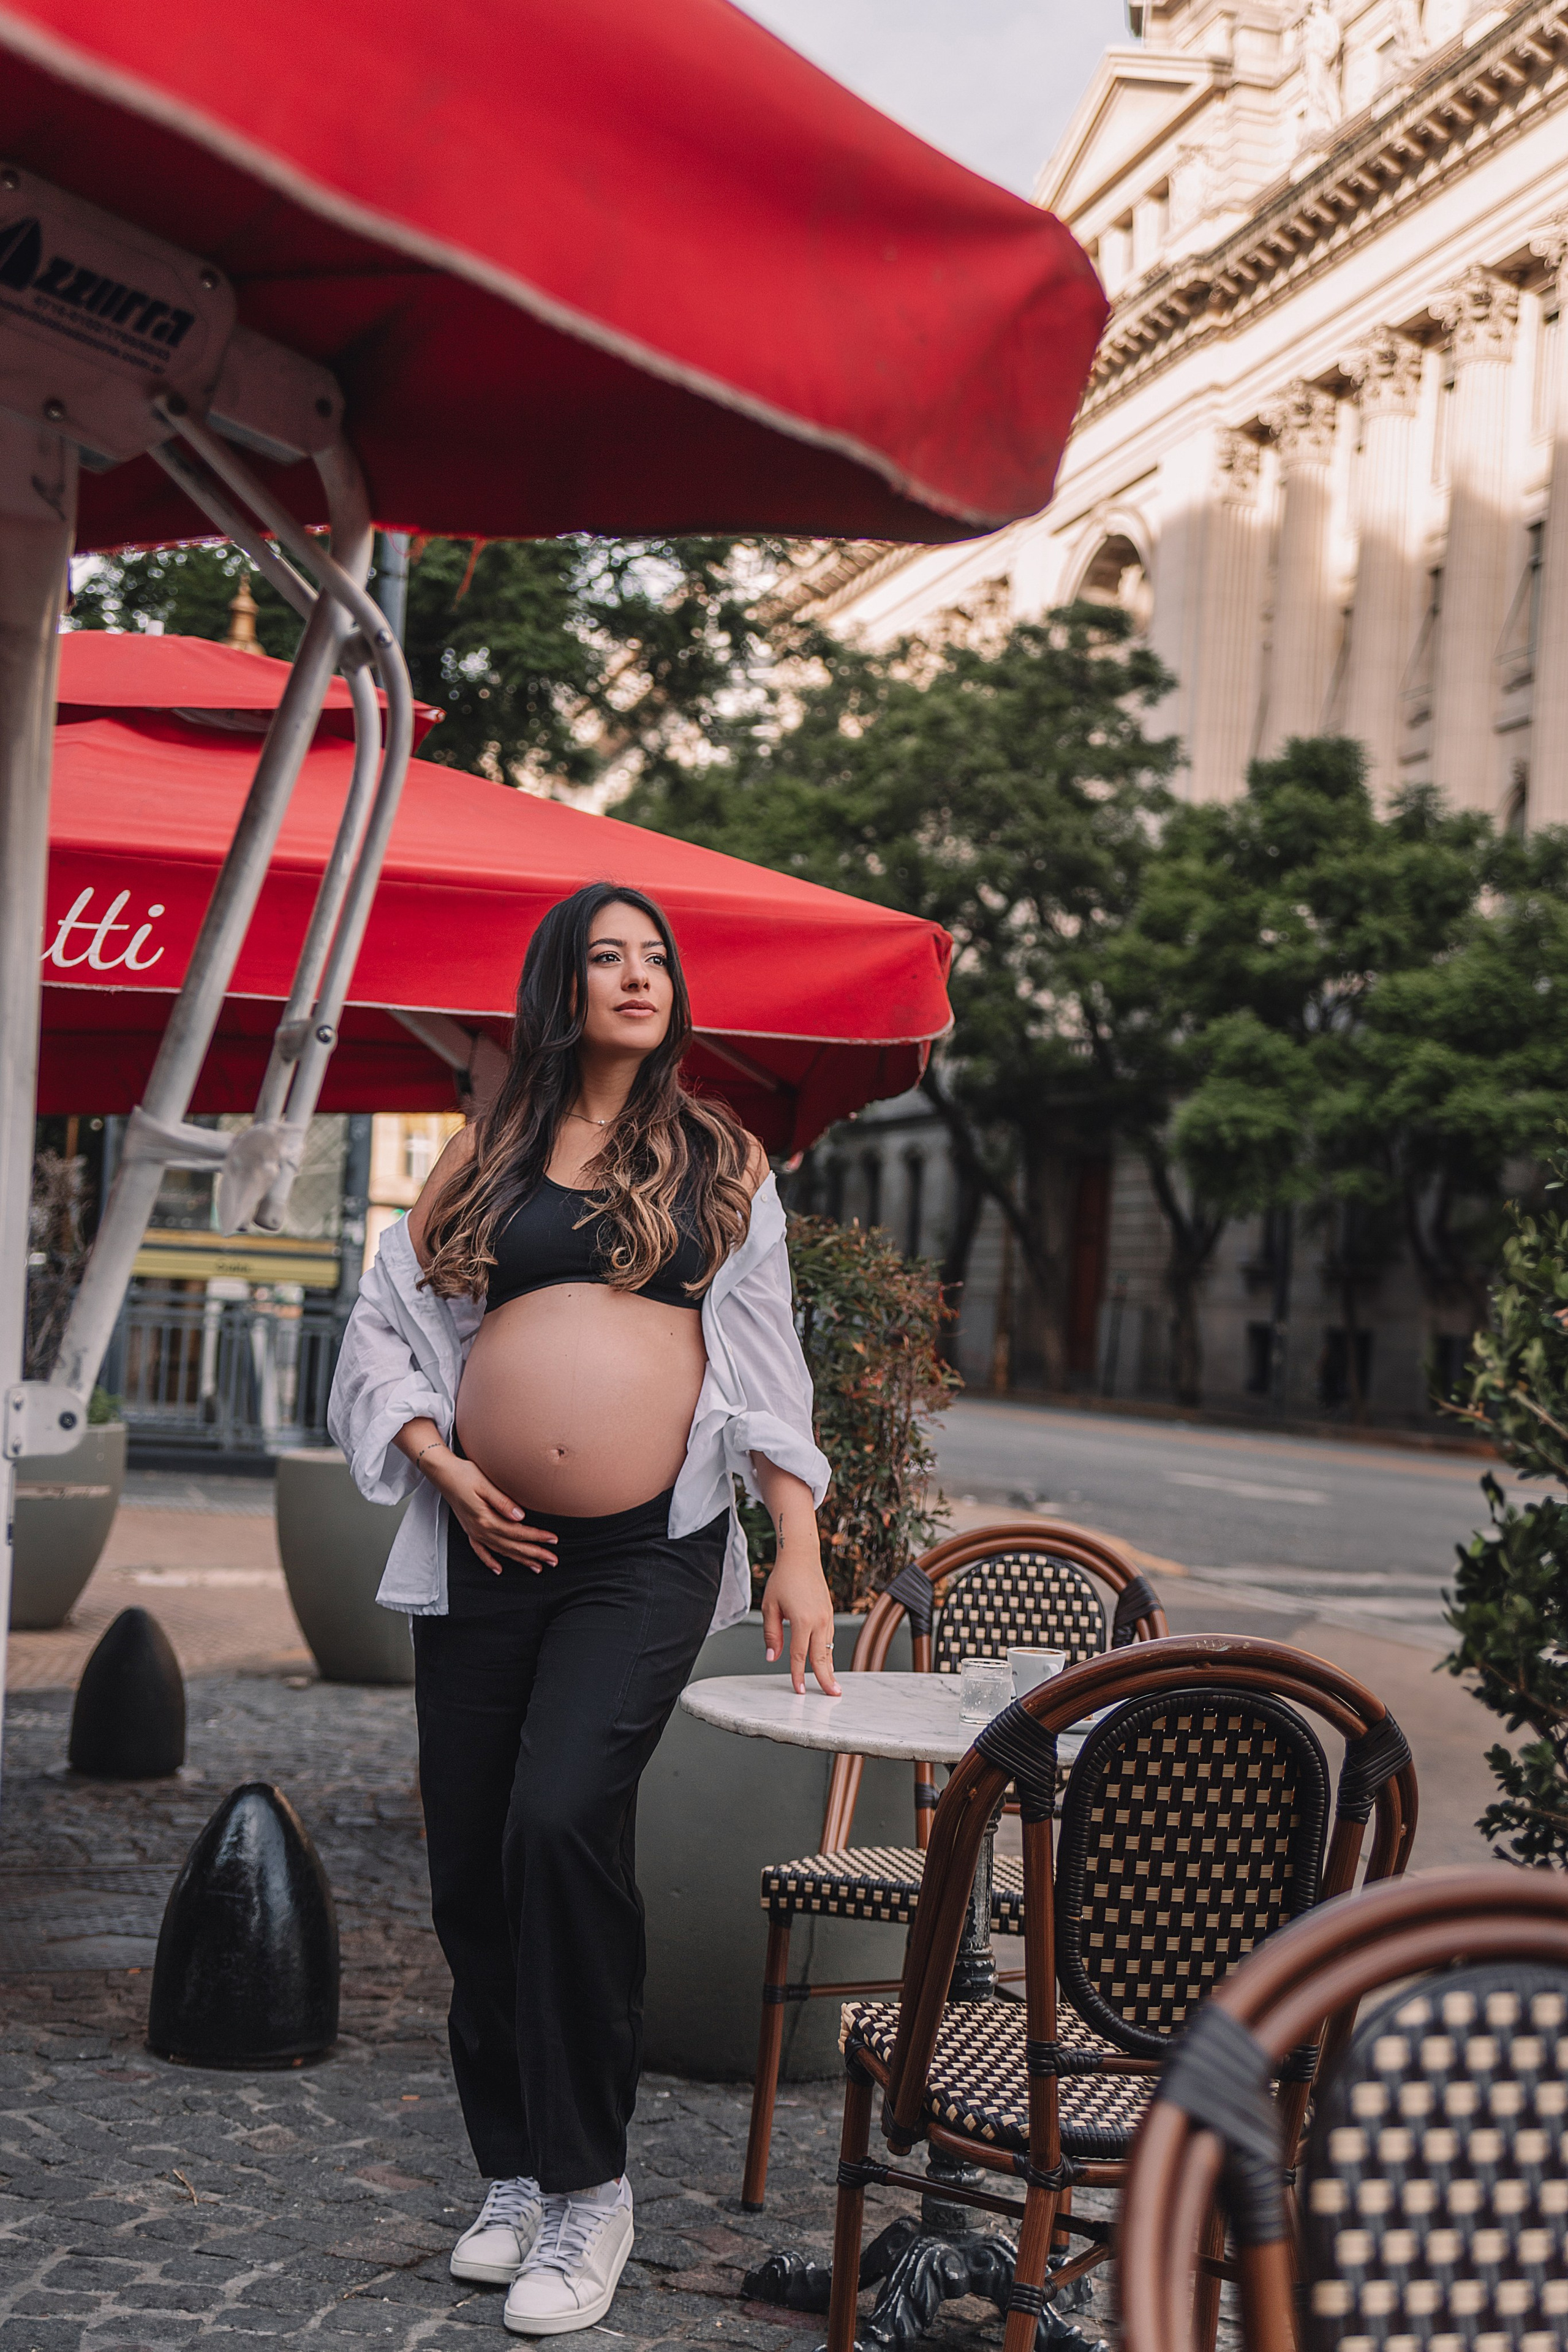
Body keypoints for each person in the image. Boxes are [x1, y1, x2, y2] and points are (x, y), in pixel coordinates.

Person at [328, 882, 838, 2337]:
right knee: (470, 1868)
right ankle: (513, 2170)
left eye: (655, 958)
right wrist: (441, 1460)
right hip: (484, 1546)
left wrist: (795, 1544)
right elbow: (385, 1338)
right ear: (557, 990)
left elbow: (763, 1367)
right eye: (606, 958)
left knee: (559, 1821)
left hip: (640, 1553)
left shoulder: (719, 1161)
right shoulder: (478, 1165)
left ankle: (591, 2193)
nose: (638, 976)